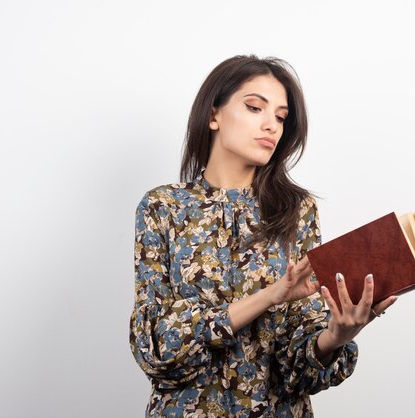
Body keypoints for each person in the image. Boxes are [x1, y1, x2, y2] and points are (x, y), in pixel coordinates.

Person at [130, 54, 397, 417]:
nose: (271, 125)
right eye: (256, 107)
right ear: (213, 115)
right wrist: (270, 295)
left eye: (281, 117)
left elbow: (295, 367)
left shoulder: (296, 210)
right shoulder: (163, 207)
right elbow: (156, 345)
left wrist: (337, 336)